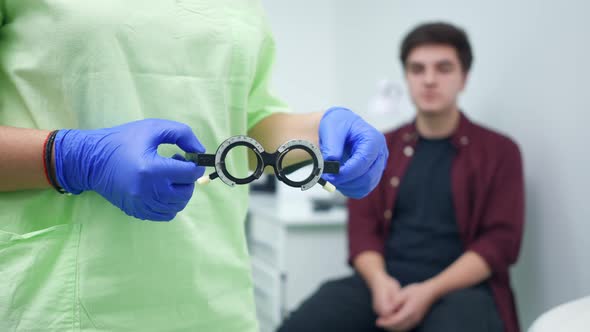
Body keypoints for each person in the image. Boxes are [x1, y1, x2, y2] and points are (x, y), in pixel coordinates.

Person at [0, 2, 388, 331]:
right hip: (60, 299)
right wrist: (70, 157)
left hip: (215, 297)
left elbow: (244, 130)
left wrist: (323, 135)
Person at [278, 22, 524, 332]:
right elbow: (362, 229)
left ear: (464, 78)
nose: (429, 80)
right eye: (417, 69)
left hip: (462, 289)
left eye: (444, 68)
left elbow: (499, 244)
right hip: (384, 279)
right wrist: (380, 283)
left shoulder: (500, 152)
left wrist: (428, 291)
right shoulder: (380, 147)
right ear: (406, 77)